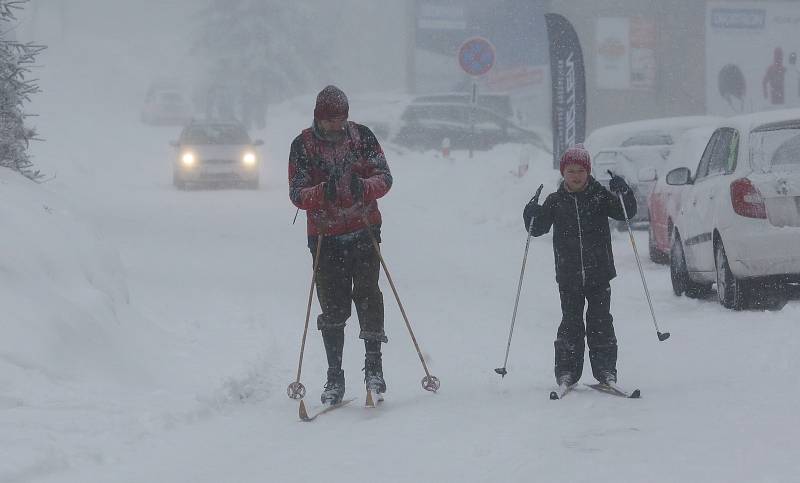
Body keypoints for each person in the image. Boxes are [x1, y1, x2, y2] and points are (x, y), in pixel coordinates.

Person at [288, 85, 393, 405]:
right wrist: (323, 193)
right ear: (319, 117)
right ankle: (335, 375)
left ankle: (373, 367)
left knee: (369, 297)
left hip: (363, 230)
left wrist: (363, 188)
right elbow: (296, 193)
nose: (338, 125)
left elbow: (385, 177)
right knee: (332, 308)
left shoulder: (362, 137)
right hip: (324, 235)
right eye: (332, 120)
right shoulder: (303, 145)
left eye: (342, 119)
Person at [523, 145, 636, 388]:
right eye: (571, 171)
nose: (576, 176)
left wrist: (624, 192)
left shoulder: (599, 196)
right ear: (564, 173)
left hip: (599, 272)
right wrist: (530, 212)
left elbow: (626, 212)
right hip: (568, 274)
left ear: (588, 172)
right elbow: (537, 228)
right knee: (571, 324)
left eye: (581, 170)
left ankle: (606, 372)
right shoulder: (555, 201)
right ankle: (567, 373)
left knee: (601, 322)